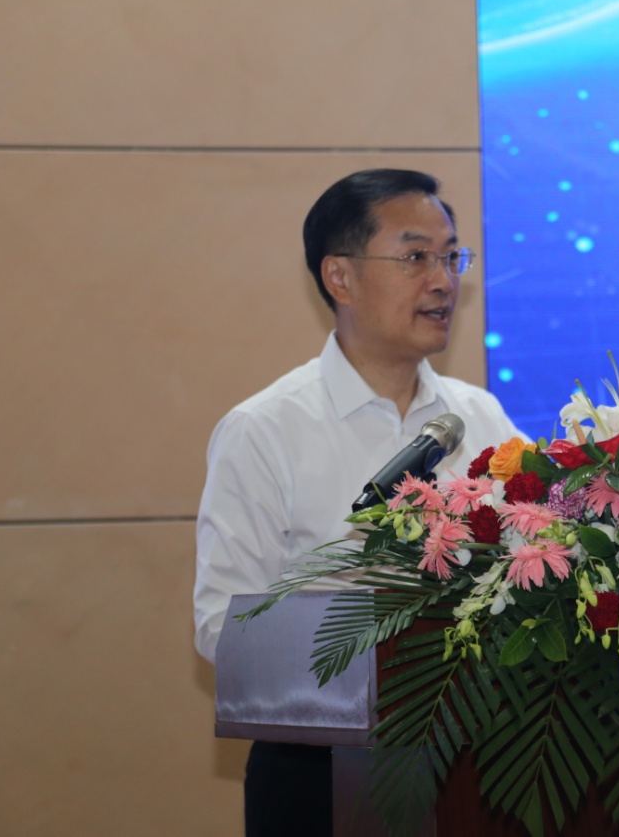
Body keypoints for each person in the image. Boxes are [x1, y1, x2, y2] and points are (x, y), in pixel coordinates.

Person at [193, 168, 522, 836]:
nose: (442, 280)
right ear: (339, 277)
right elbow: (221, 627)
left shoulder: (480, 417)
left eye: (450, 257)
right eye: (415, 257)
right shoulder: (265, 429)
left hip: (476, 762)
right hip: (319, 770)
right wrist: (369, 642)